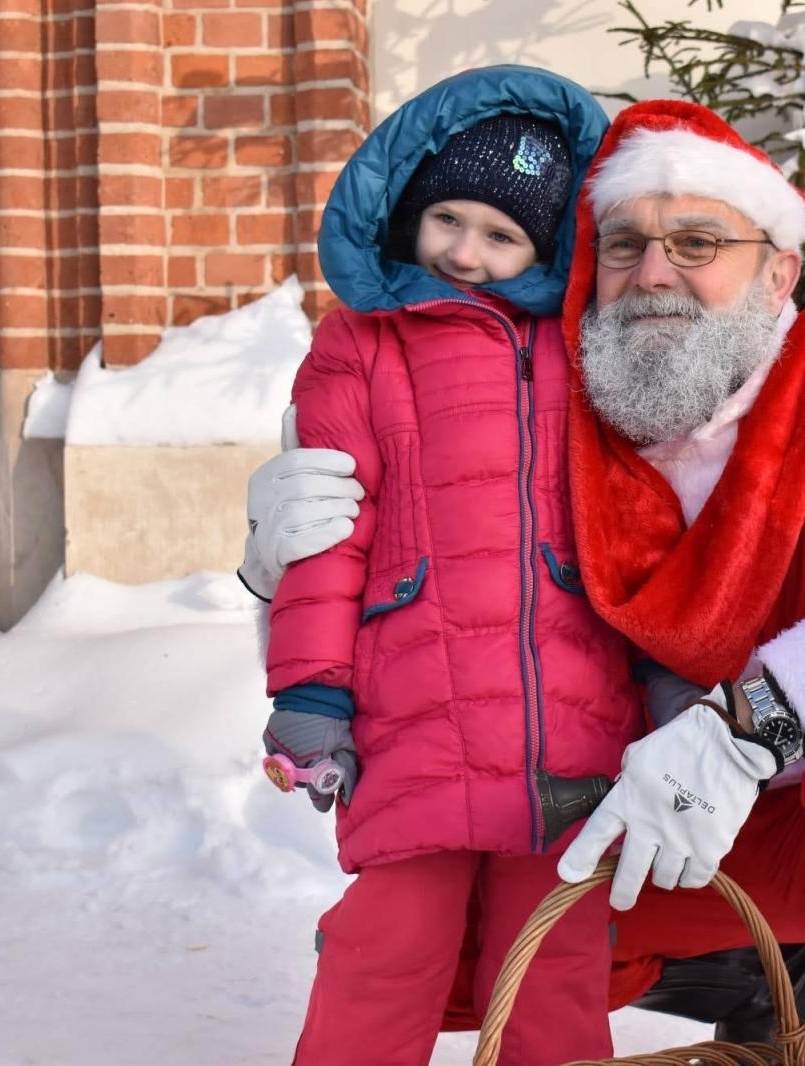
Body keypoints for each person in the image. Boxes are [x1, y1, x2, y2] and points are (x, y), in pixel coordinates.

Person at [248, 93, 805, 1066]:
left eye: (696, 241)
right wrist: (281, 573)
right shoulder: (560, 404)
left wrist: (757, 722)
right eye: (623, 244)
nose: (653, 273)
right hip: (650, 815)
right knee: (442, 926)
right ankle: (767, 969)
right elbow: (445, 591)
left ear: (776, 271)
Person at [256, 66, 644, 1066]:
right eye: (449, 219)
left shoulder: (585, 352)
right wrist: (309, 693)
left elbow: (637, 526)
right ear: (410, 210)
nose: (467, 252)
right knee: (386, 945)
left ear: (549, 247)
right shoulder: (361, 348)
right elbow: (327, 535)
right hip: (413, 708)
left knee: (551, 966)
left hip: (570, 714)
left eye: (502, 235)